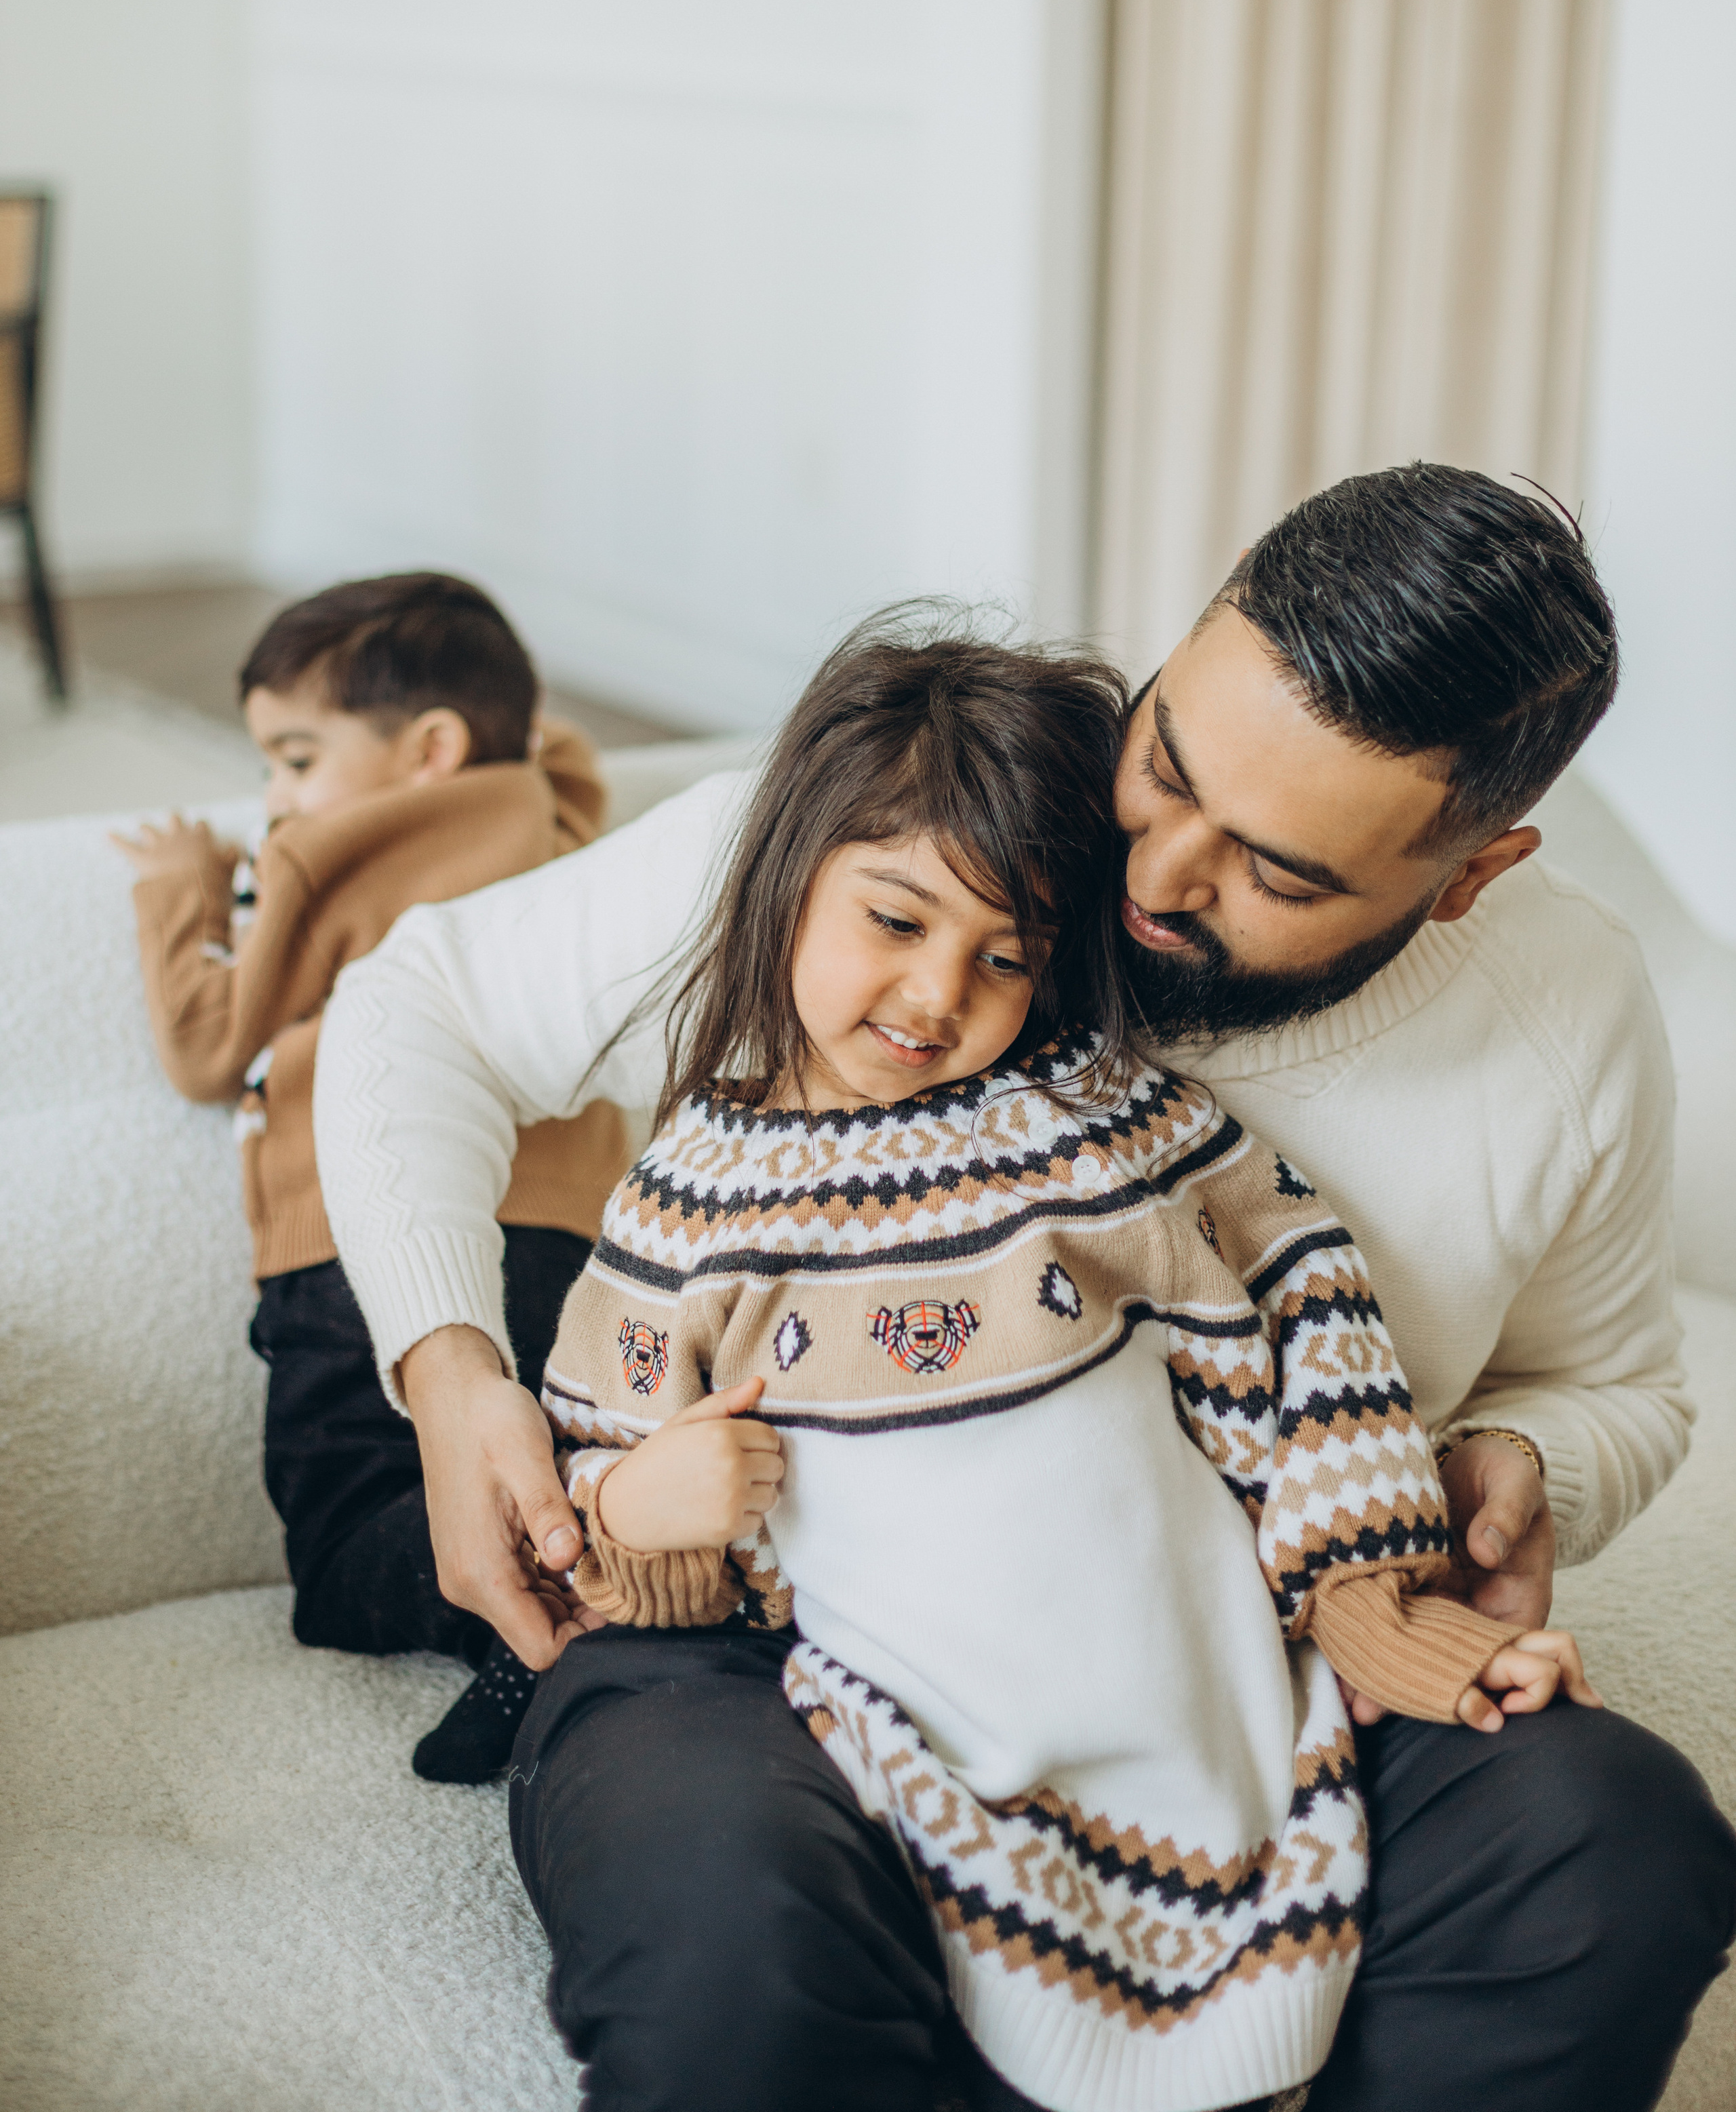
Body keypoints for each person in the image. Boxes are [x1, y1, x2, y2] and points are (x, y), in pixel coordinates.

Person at [313, 467, 1736, 2111]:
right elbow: (417, 1011)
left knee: (1613, 1844)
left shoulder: (1560, 1012)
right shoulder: (909, 826)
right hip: (769, 1628)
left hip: (1251, 1636)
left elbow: (1616, 1384)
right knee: (733, 1945)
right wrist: (449, 1375)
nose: (1154, 874)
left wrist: (1514, 1465)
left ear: (1468, 873)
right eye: (1167, 763)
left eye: (1275, 875)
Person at [525, 617, 1594, 2112]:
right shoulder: (688, 1204)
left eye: (1004, 957)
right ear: (790, 877)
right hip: (920, 1727)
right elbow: (605, 1493)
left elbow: (1316, 1310)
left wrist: (1383, 1620)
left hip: (1201, 1684)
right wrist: (646, 1511)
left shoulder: (1107, 1121)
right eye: (893, 921)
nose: (934, 996)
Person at [116, 570, 629, 1783]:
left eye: (295, 758)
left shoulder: (314, 858)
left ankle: (521, 1613)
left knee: (343, 1543)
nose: (275, 796)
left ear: (430, 749)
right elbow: (562, 749)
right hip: (566, 1239)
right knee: (548, 1446)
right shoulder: (559, 823)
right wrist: (495, 728)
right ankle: (607, 1545)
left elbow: (209, 1047)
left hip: (363, 1243)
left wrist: (180, 888)